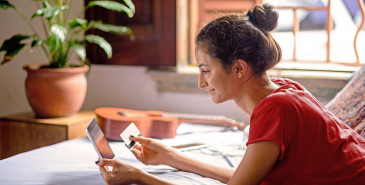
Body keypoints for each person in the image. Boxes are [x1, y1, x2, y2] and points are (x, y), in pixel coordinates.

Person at [96, 3, 365, 185]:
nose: (201, 83)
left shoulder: (275, 110)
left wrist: (140, 177)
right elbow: (244, 178)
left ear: (238, 68)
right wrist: (170, 156)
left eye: (206, 71)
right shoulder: (284, 90)